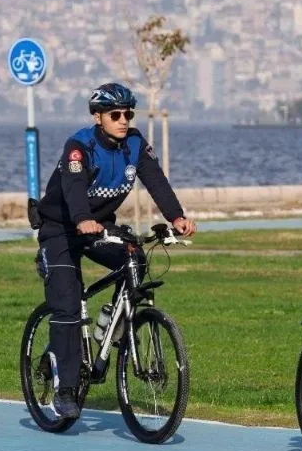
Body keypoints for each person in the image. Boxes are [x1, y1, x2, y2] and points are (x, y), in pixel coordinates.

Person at [33, 82, 196, 420]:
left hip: (99, 226)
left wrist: (176, 217)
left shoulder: (135, 144)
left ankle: (107, 328)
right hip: (61, 228)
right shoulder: (79, 146)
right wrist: (81, 220)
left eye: (128, 114)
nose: (123, 120)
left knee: (135, 259)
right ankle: (64, 391)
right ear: (98, 116)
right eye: (115, 114)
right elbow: (74, 188)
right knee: (67, 304)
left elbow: (156, 182)